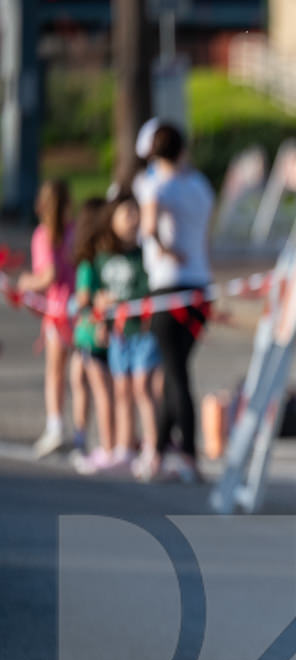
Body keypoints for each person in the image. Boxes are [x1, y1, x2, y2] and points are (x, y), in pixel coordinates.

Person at [139, 122, 214, 484]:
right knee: (176, 368)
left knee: (175, 372)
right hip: (201, 288)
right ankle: (158, 450)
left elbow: (150, 226)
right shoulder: (199, 186)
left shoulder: (156, 184)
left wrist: (167, 251)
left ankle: (185, 452)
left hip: (169, 286)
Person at [97, 195, 162, 481]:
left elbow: (148, 291)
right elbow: (98, 296)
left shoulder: (143, 255)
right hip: (118, 335)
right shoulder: (103, 258)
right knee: (121, 390)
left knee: (142, 389)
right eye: (126, 214)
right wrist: (102, 312)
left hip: (142, 333)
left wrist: (120, 301)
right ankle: (124, 447)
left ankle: (152, 446)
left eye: (136, 213)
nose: (133, 220)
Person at [19, 180, 75, 457]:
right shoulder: (74, 231)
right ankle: (81, 429)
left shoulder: (44, 234)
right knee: (80, 373)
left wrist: (26, 281)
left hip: (57, 311)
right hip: (79, 307)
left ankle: (55, 426)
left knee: (55, 371)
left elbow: (48, 276)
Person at [68, 199, 118, 474]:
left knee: (100, 391)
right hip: (92, 335)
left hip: (90, 336)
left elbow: (84, 299)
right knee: (98, 389)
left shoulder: (91, 263)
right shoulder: (97, 261)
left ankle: (106, 446)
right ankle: (100, 443)